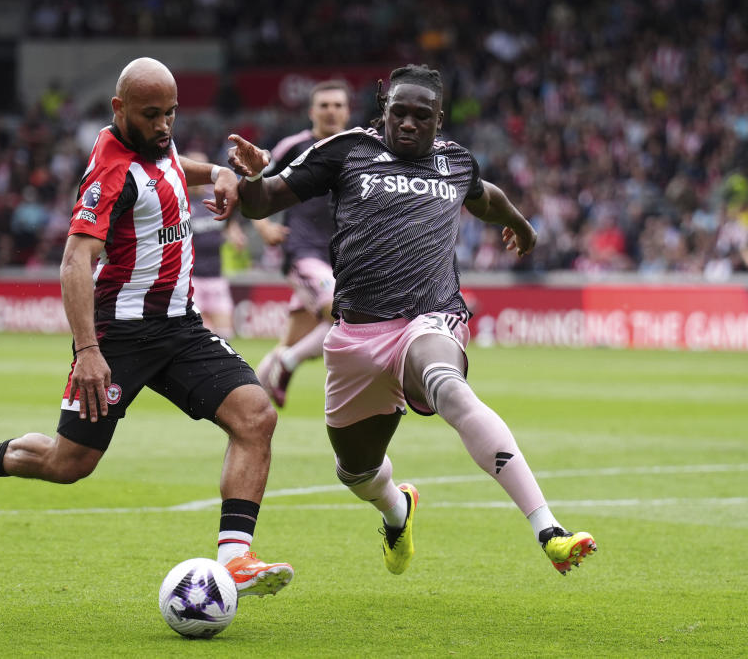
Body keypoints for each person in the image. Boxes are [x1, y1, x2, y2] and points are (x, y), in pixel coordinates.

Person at [0, 58, 294, 598]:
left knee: (256, 417)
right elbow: (73, 262)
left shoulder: (152, 148)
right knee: (70, 464)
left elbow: (172, 164)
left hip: (180, 328)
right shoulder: (110, 172)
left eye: (171, 113)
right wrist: (88, 349)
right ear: (120, 110)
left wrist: (222, 172)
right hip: (120, 337)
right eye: (151, 115)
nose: (164, 126)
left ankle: (234, 558)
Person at [227, 64, 596, 576]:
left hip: (430, 319)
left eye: (421, 116)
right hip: (357, 335)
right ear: (384, 110)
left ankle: (549, 529)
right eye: (398, 112)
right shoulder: (347, 151)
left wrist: (521, 225)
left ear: (438, 120)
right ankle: (397, 510)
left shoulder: (455, 163)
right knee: (356, 472)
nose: (407, 123)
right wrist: (250, 177)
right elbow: (263, 202)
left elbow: (487, 198)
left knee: (450, 386)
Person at [252, 80, 350, 407]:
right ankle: (288, 364)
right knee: (341, 312)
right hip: (303, 252)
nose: (331, 111)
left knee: (293, 340)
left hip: (342, 258)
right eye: (324, 105)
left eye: (337, 105)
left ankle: (252, 400)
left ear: (347, 111)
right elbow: (252, 185)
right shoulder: (293, 147)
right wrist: (263, 225)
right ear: (311, 111)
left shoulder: (358, 148)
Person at [184, 149, 246, 339]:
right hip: (191, 279)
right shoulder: (180, 200)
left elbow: (229, 223)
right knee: (198, 335)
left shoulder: (215, 197)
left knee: (225, 335)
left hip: (216, 276)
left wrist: (234, 234)